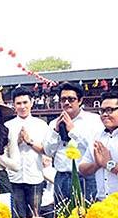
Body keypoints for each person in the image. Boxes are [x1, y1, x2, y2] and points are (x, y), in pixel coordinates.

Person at [44, 82, 103, 210]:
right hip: (62, 177)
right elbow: (48, 151)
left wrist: (72, 131)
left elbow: (95, 148)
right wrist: (55, 131)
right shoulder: (54, 123)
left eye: (71, 99)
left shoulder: (93, 120)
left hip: (85, 177)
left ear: (80, 100)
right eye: (63, 99)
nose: (67, 103)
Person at [4, 87, 50, 218]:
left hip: (35, 176)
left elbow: (46, 150)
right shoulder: (8, 126)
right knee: (17, 216)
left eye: (25, 102)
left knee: (34, 216)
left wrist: (29, 141)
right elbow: (4, 153)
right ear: (13, 105)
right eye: (18, 103)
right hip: (15, 177)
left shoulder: (41, 125)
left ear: (32, 102)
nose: (22, 106)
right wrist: (16, 142)